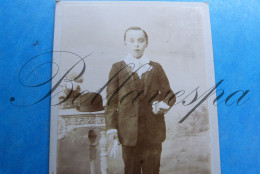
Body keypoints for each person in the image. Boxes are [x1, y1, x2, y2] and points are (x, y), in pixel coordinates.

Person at [104, 26, 176, 174]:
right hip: (128, 133)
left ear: (146, 43)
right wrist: (112, 128)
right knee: (131, 170)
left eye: (140, 41)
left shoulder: (156, 68)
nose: (136, 44)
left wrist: (162, 104)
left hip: (153, 133)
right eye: (132, 41)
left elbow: (170, 94)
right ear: (125, 43)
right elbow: (111, 103)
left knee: (152, 170)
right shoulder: (117, 68)